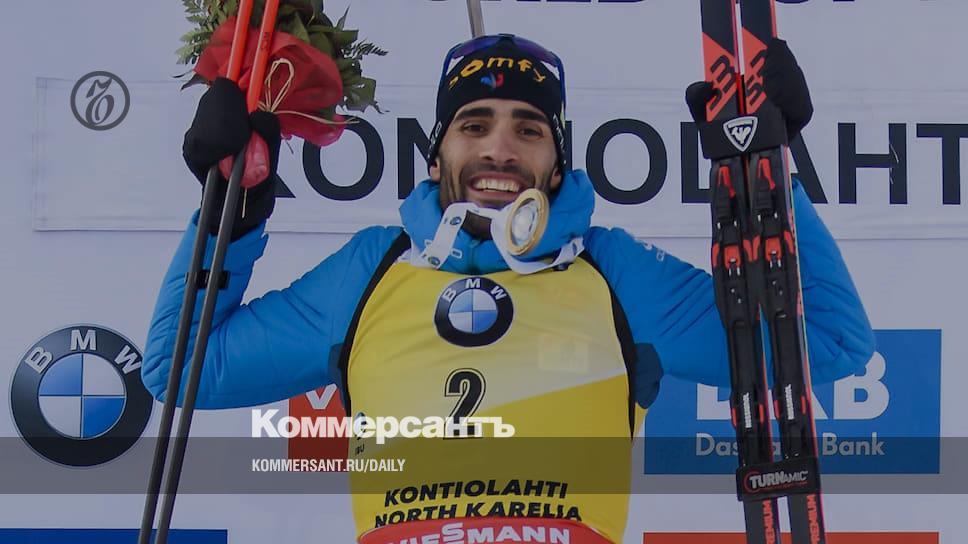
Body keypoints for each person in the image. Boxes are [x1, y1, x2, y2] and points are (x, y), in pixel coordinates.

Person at [143, 34, 875, 544]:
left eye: (529, 130)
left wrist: (770, 173)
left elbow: (830, 344)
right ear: (437, 155)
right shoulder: (373, 270)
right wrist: (233, 207)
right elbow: (181, 367)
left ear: (558, 161)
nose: (499, 149)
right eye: (474, 125)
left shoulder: (612, 272)